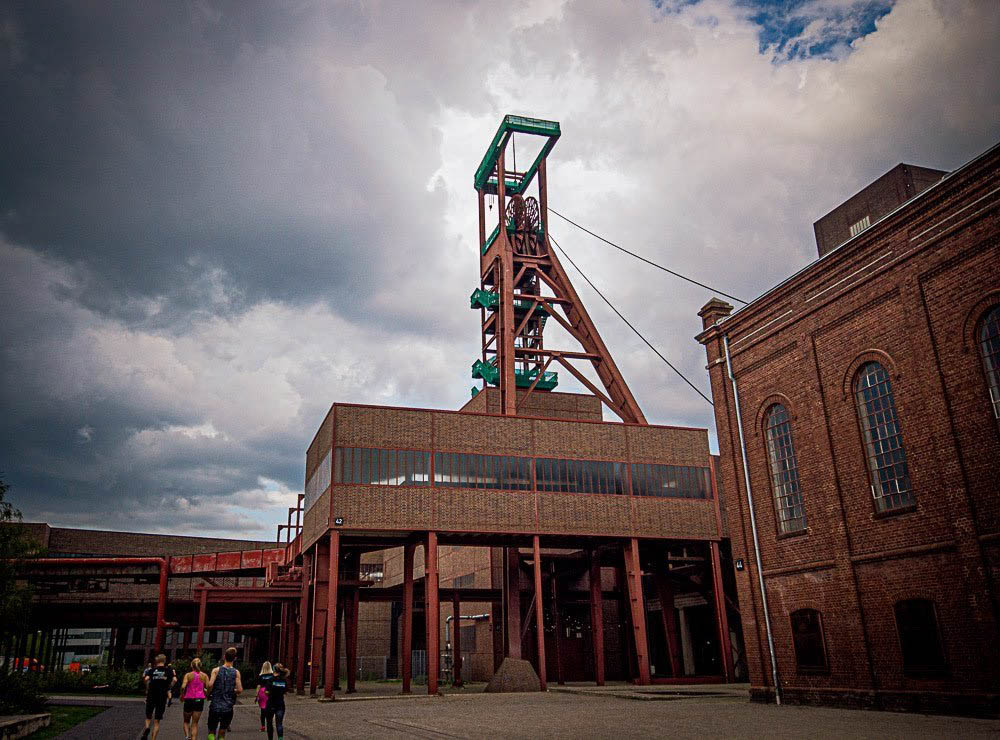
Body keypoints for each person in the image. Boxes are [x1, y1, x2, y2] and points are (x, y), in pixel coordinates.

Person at [206, 647, 242, 740]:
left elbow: (210, 684)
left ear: (224, 656)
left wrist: (208, 694)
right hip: (228, 706)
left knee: (211, 730)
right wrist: (232, 690)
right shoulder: (236, 672)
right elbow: (240, 689)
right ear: (235, 658)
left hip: (215, 704)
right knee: (222, 731)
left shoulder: (216, 670)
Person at [141, 654, 176, 740]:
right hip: (162, 696)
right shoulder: (168, 671)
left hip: (151, 695)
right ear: (164, 661)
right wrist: (169, 686)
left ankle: (147, 727)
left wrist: (147, 687)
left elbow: (146, 679)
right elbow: (175, 680)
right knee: (157, 721)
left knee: (148, 717)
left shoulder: (152, 670)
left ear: (156, 661)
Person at [180, 657, 210, 740]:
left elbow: (183, 687)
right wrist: (206, 694)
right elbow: (209, 687)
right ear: (200, 665)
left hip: (189, 699)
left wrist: (182, 695)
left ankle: (187, 736)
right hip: (199, 700)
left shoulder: (188, 675)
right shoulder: (204, 676)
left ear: (191, 665)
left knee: (186, 721)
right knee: (195, 723)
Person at [264, 663, 290, 740]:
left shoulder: (270, 680)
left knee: (269, 723)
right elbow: (285, 691)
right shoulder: (284, 680)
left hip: (271, 704)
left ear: (274, 670)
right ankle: (280, 738)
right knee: (279, 724)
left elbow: (267, 692)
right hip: (280, 704)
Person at [256, 661, 274, 732]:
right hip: (270, 692)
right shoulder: (272, 675)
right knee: (270, 709)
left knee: (263, 710)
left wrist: (256, 695)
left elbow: (258, 686)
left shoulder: (261, 676)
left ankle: (263, 726)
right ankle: (270, 725)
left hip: (262, 692)